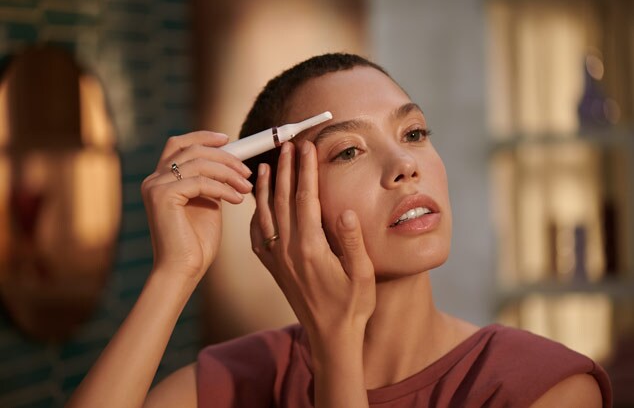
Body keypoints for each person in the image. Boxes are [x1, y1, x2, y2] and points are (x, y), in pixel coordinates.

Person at [67, 53, 611, 408]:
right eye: (349, 150)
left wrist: (335, 352)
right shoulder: (235, 382)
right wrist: (174, 271)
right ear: (277, 205)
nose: (405, 164)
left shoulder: (540, 387)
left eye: (414, 132)